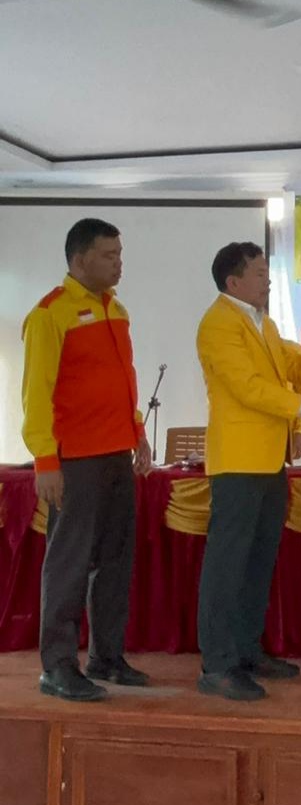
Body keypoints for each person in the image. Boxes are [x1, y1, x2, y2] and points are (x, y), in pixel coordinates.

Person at [195, 241, 301, 701]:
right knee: (227, 566)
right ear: (233, 281)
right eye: (260, 273)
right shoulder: (218, 324)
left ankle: (247, 650)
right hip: (238, 462)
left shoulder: (262, 322)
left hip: (269, 461)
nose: (267, 280)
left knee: (257, 563)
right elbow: (249, 388)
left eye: (267, 272)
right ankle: (217, 664)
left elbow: (296, 366)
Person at [21, 218, 151, 702]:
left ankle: (106, 657)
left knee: (115, 561)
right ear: (79, 260)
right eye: (108, 255)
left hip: (117, 452)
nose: (119, 263)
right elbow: (36, 395)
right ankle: (57, 666)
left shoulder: (116, 309)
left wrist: (138, 433)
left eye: (120, 254)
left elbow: (124, 380)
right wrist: (44, 461)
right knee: (69, 563)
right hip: (75, 459)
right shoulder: (50, 314)